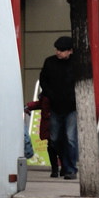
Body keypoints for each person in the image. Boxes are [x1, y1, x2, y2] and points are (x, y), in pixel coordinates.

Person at [38, 35, 78, 180]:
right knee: (54, 138)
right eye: (57, 49)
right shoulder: (50, 62)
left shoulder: (76, 63)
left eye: (61, 50)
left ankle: (70, 169)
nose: (58, 52)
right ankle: (59, 166)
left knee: (70, 138)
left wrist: (75, 98)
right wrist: (50, 94)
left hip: (71, 107)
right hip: (55, 106)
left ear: (70, 51)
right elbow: (43, 79)